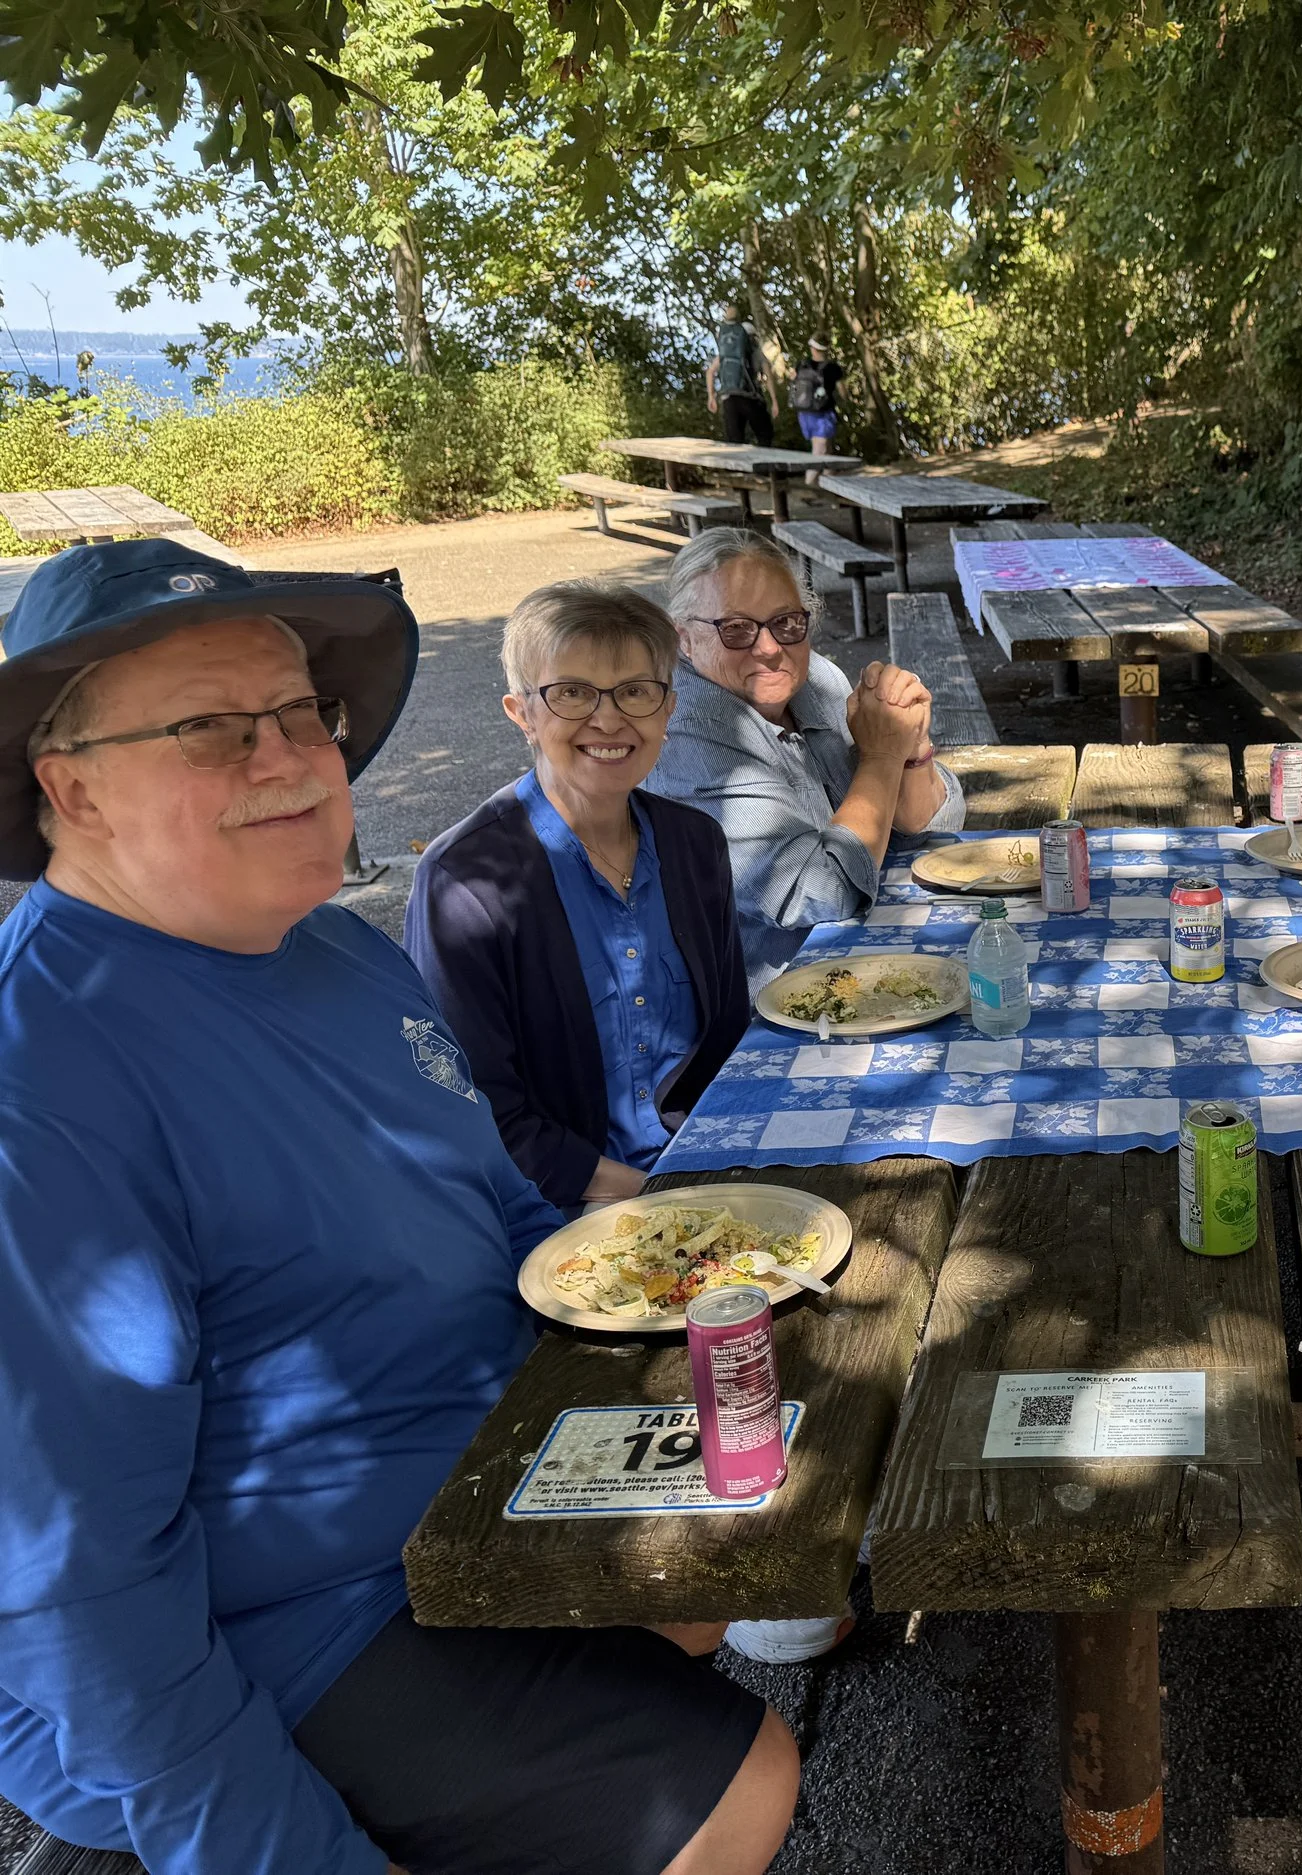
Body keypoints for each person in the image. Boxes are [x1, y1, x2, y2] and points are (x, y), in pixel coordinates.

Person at [0, 540, 797, 1875]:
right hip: (289, 1621)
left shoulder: (329, 944)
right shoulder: (46, 1091)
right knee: (736, 1779)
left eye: (304, 712)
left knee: (753, 1522)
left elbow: (494, 1206)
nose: (293, 757)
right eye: (210, 727)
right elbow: (83, 1595)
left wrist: (678, 1290)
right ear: (68, 785)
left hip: (475, 1476)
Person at [406, 581, 746, 1212]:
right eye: (571, 693)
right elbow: (473, 1106)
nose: (609, 718)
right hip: (556, 1202)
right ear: (522, 713)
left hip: (703, 1164)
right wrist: (650, 1192)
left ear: (668, 708)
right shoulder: (467, 882)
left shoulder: (695, 843)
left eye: (636, 691)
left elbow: (727, 1038)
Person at [646, 528, 964, 989]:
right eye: (735, 629)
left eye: (787, 623)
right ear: (685, 639)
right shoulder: (684, 729)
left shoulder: (814, 677)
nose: (770, 647)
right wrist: (881, 756)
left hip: (867, 956)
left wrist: (911, 750)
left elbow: (928, 825)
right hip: (768, 1015)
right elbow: (824, 892)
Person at [706, 301, 776, 447]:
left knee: (734, 442)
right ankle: (763, 469)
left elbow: (710, 371)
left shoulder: (725, 355)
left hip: (728, 398)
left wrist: (711, 396)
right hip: (750, 397)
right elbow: (768, 376)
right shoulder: (757, 353)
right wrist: (774, 401)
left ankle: (738, 470)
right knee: (764, 435)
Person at [791, 336, 846, 456]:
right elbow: (843, 392)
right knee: (820, 451)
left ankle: (828, 474)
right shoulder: (833, 368)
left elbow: (793, 380)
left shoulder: (801, 365)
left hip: (804, 412)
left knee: (826, 449)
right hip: (822, 413)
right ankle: (811, 475)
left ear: (813, 349)